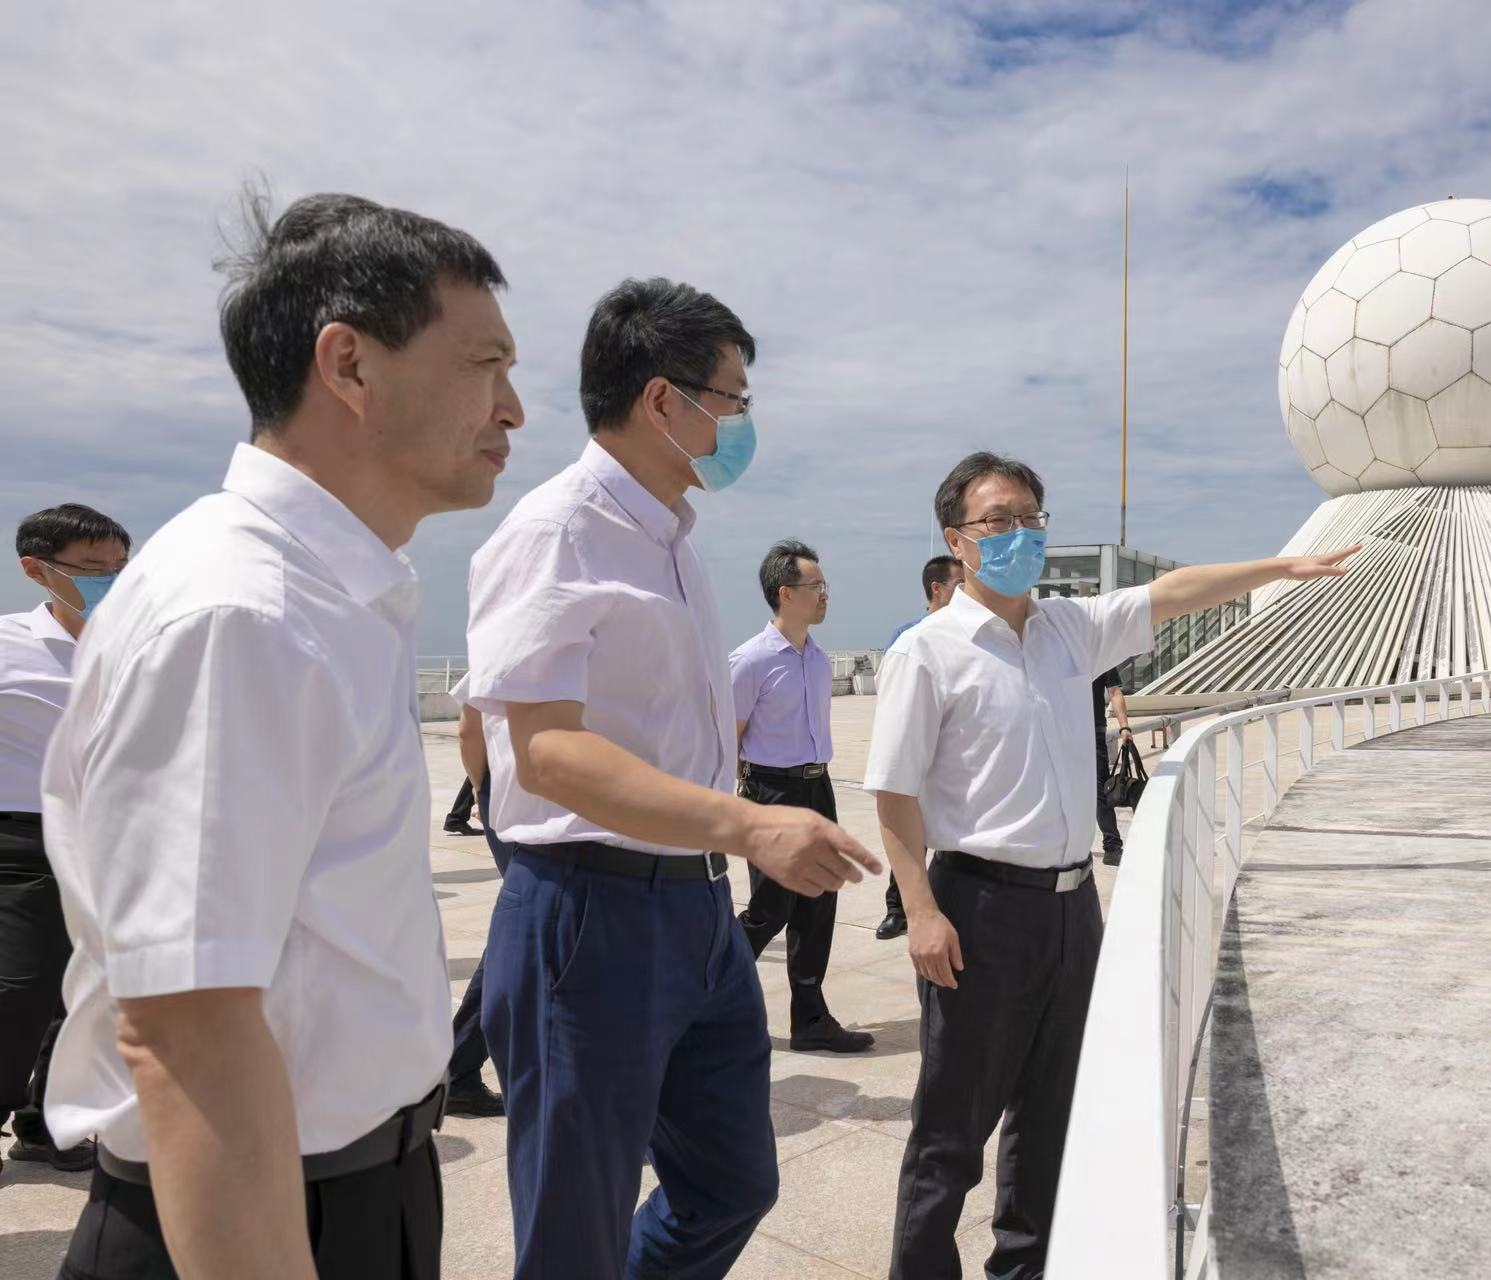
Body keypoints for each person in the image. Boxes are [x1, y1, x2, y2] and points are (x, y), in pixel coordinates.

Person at [41, 190, 523, 1280]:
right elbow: (188, 1033)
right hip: (248, 1217)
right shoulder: (241, 612)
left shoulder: (331, 594)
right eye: (485, 364)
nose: (514, 407)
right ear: (348, 365)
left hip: (354, 1189)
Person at [465, 277, 883, 1280]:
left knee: (731, 1183)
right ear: (664, 400)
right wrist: (749, 823)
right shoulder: (557, 530)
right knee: (573, 1234)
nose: (741, 423)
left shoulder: (674, 541)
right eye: (733, 399)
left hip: (694, 909)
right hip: (589, 911)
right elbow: (547, 751)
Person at [866, 451, 1358, 1278]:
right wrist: (920, 909)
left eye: (1031, 518)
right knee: (953, 1126)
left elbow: (1173, 593)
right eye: (998, 520)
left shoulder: (1069, 627)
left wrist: (1278, 568)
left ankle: (1024, 1267)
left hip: (1070, 906)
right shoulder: (928, 651)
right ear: (957, 540)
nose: (1019, 534)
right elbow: (893, 792)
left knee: (1051, 1112)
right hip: (979, 905)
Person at [0, 504, 129, 1175]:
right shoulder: (8, 643)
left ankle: (47, 1123)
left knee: (85, 993)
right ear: (36, 570)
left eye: (121, 566)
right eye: (92, 567)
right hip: (23, 842)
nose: (112, 579)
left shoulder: (143, 641)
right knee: (18, 991)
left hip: (117, 840)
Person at [730, 540, 873, 1053]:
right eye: (816, 586)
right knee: (771, 907)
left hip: (818, 786)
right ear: (786, 593)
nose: (825, 594)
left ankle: (810, 1020)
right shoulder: (750, 661)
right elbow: (728, 738)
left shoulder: (816, 660)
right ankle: (703, 993)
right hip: (771, 790)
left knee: (818, 902)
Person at [876, 554, 964, 941]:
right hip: (918, 751)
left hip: (954, 755)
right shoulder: (908, 636)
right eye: (960, 585)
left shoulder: (968, 633)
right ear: (937, 589)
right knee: (909, 834)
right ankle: (898, 910)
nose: (967, 592)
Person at [444, 700, 509, 1116]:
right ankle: (458, 1069)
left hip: (513, 799)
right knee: (527, 933)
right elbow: (469, 727)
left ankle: (459, 1068)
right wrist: (482, 790)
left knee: (526, 933)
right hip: (531, 809)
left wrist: (482, 789)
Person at [1093, 666, 1133, 865]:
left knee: (1101, 791)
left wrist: (1124, 726)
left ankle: (1112, 847)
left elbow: (1115, 692)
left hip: (1093, 732)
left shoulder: (1102, 655)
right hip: (1062, 733)